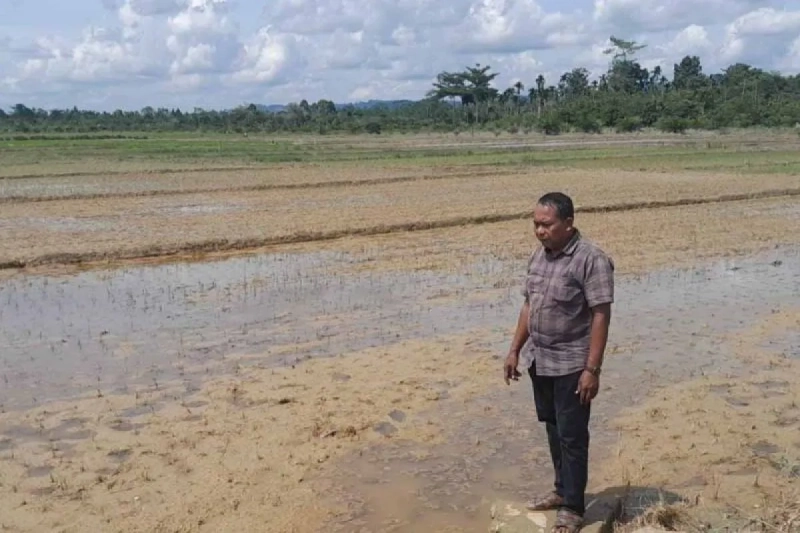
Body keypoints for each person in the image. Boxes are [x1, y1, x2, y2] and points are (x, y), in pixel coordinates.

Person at [503, 192, 614, 533]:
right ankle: (560, 489)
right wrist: (514, 350)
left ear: (568, 223)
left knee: (573, 436)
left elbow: (600, 315)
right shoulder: (539, 257)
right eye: (536, 224)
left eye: (546, 224)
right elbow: (528, 306)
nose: (539, 231)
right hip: (542, 360)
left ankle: (573, 507)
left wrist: (591, 370)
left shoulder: (590, 259)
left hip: (571, 365)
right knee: (553, 429)